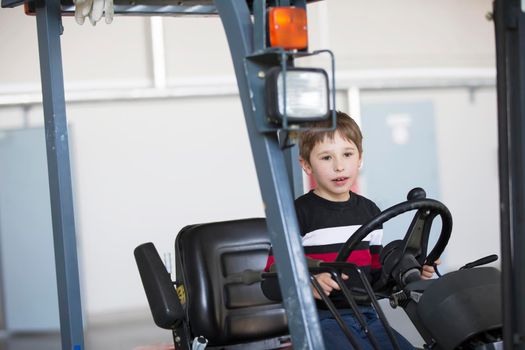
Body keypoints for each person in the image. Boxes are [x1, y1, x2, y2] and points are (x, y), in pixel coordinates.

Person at [261, 111, 437, 349]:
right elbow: (270, 281)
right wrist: (308, 283)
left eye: (347, 154)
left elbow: (376, 280)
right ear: (306, 165)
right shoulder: (296, 214)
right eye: (326, 158)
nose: (339, 166)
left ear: (360, 158)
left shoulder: (370, 211)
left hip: (368, 316)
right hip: (319, 320)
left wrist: (412, 271)